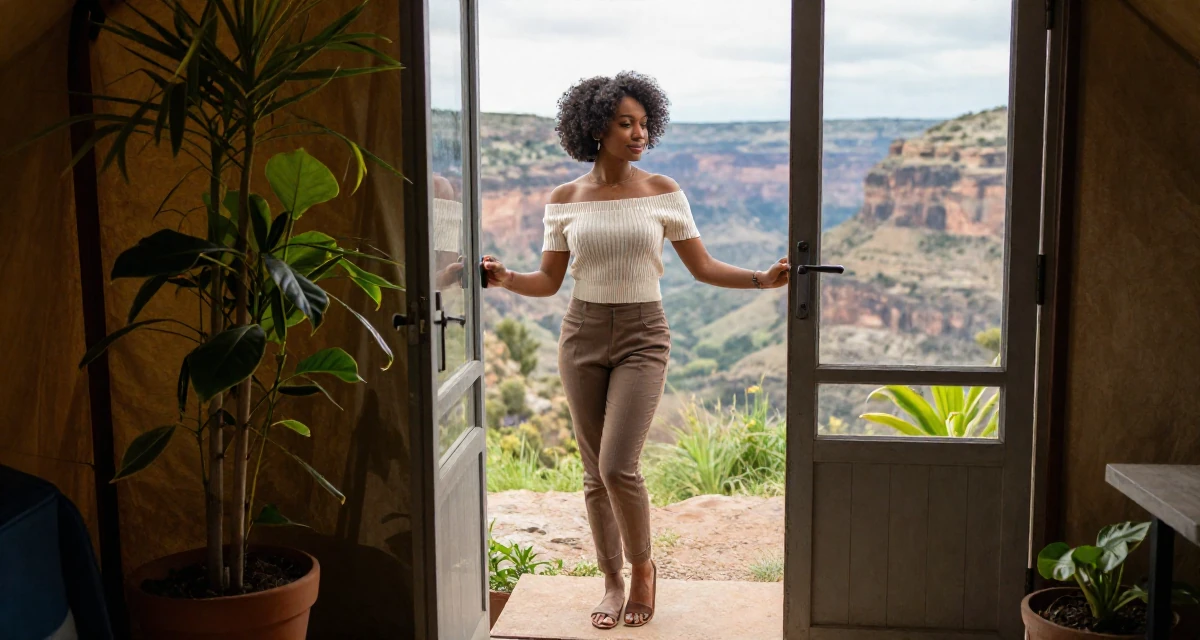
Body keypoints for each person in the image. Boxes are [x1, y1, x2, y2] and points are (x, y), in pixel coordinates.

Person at [481, 71, 789, 629]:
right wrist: (504, 279)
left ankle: (643, 569)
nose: (639, 133)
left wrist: (763, 280)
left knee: (617, 465)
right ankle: (611, 581)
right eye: (626, 124)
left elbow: (703, 267)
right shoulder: (565, 199)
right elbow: (548, 282)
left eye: (645, 124)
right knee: (592, 473)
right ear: (596, 128)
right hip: (581, 333)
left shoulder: (663, 191)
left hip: (645, 334)